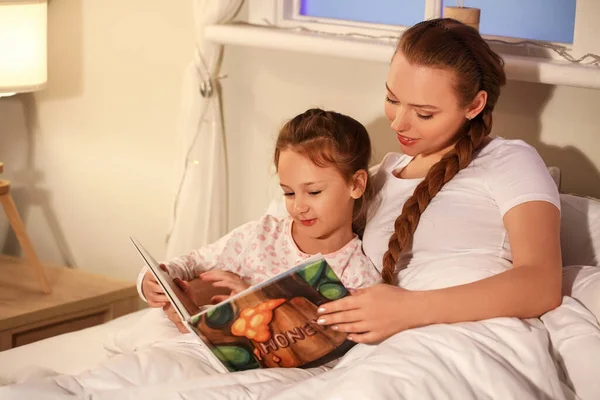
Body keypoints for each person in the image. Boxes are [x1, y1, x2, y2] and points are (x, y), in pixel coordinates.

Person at [109, 17, 567, 399]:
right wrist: (223, 294)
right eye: (391, 99)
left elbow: (541, 281)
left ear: (475, 105)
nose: (400, 123)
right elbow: (313, 250)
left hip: (458, 334)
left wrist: (410, 310)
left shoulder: (510, 161)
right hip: (377, 337)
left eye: (424, 113)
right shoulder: (381, 176)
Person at [0, 108, 381, 398]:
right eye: (288, 192)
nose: (299, 206)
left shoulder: (358, 272)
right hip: (198, 352)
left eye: (313, 192)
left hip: (270, 374)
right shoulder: (261, 236)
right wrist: (154, 280)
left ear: (356, 184)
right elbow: (188, 262)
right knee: (114, 381)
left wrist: (253, 304)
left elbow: (348, 348)